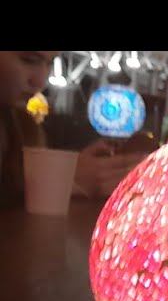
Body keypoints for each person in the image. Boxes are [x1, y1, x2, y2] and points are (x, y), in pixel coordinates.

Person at [0, 51, 147, 206]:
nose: (40, 82)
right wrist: (61, 179)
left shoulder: (20, 126)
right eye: (28, 60)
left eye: (50, 63)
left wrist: (69, 173)